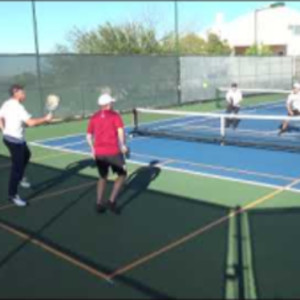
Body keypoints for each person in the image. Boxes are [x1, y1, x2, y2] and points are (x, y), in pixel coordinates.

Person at [0, 84, 53, 207]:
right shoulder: (18, 107)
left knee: (27, 154)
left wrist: (3, 129)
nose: (25, 95)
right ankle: (12, 195)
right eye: (22, 93)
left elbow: (0, 116)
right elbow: (31, 123)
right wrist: (45, 119)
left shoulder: (6, 103)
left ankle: (21, 177)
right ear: (16, 93)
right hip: (14, 141)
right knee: (16, 169)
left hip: (11, 139)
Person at [86, 93, 128, 214]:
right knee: (122, 174)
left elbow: (88, 136)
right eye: (111, 103)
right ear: (108, 105)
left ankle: (99, 203)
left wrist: (92, 149)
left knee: (102, 177)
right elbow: (120, 132)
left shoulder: (94, 117)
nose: (112, 104)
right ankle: (111, 201)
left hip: (99, 153)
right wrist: (123, 145)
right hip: (113, 152)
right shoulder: (115, 116)